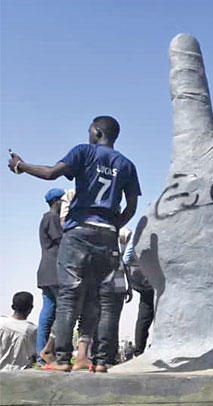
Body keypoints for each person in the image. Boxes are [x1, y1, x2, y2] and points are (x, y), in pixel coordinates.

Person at [9, 116, 140, 372]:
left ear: (97, 131)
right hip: (107, 234)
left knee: (69, 296)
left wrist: (21, 165)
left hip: (79, 230)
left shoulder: (84, 152)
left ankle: (61, 359)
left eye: (90, 130)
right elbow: (132, 206)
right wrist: (112, 226)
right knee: (100, 299)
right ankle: (100, 361)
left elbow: (50, 174)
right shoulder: (127, 164)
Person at [36, 188, 64, 364]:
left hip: (46, 272)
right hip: (55, 272)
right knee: (64, 311)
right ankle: (52, 351)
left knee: (47, 313)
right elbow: (62, 240)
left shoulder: (45, 218)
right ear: (57, 202)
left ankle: (41, 354)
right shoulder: (52, 217)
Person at [122, 217, 155, 356]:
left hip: (139, 280)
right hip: (150, 278)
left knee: (144, 313)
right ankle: (143, 348)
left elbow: (126, 259)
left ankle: (139, 350)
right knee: (151, 311)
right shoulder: (154, 233)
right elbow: (126, 258)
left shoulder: (138, 232)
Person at [0, 292, 37, 371]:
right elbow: (35, 355)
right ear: (31, 308)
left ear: (12, 307)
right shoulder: (32, 330)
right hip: (19, 376)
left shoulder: (1, 322)